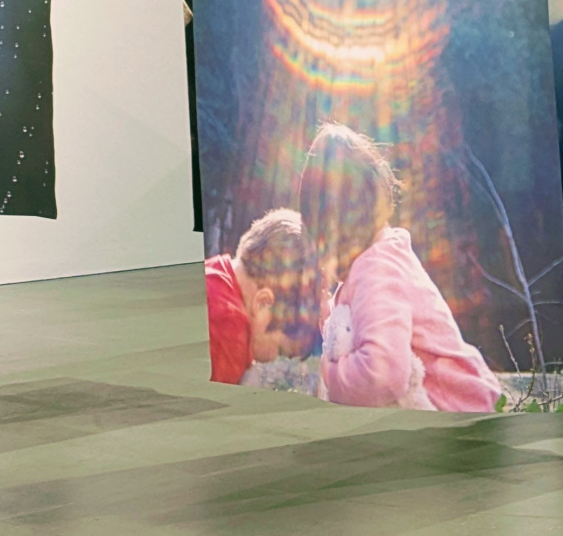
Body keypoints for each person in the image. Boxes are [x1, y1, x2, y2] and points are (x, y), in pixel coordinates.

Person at [297, 123, 504, 413]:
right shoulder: (369, 264)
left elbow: (379, 377)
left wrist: (327, 372)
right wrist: (326, 316)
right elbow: (356, 333)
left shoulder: (378, 268)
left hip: (458, 413)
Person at [204, 208, 317, 384]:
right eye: (280, 350)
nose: (271, 359)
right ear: (264, 303)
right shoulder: (228, 333)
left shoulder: (214, 272)